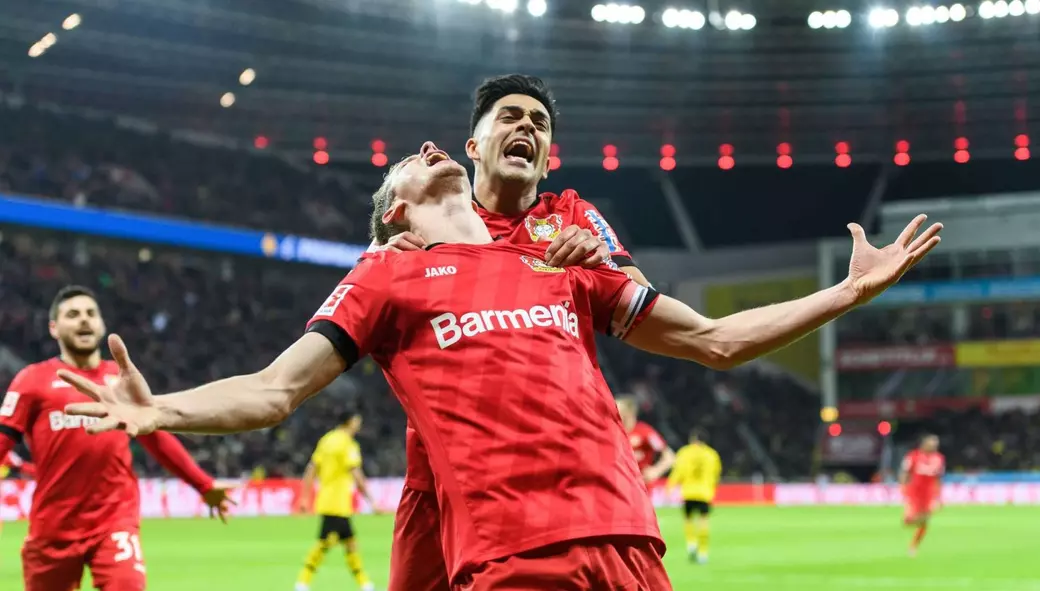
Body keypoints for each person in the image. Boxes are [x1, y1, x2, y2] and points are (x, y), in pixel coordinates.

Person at [60, 142, 941, 590]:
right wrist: (162, 409)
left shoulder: (563, 262)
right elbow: (274, 389)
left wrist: (846, 294)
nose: (430, 148)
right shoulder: (387, 273)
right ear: (397, 215)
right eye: (412, 163)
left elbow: (717, 339)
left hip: (632, 543)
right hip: (518, 554)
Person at [376, 74, 655, 591]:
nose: (527, 125)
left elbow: (642, 304)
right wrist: (387, 256)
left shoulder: (570, 216)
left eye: (539, 123)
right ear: (473, 147)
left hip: (548, 468)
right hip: (441, 467)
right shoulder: (433, 217)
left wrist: (598, 261)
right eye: (510, 116)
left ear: (547, 161)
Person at [0, 285, 231, 591]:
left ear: (101, 324)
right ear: (54, 328)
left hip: (114, 520)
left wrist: (203, 484)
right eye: (73, 314)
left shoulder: (121, 382)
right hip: (52, 525)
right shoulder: (33, 380)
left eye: (90, 313)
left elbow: (157, 440)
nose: (84, 319)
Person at [294, 410, 377, 591]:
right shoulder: (347, 444)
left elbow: (311, 469)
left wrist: (304, 497)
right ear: (350, 422)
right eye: (357, 421)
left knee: (350, 543)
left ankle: (365, 584)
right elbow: (356, 473)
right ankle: (302, 582)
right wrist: (371, 501)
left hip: (326, 500)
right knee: (325, 543)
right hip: (338, 503)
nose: (358, 425)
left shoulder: (326, 440)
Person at [666, 428, 721, 564]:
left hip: (688, 492)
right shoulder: (712, 454)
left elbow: (678, 472)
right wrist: (711, 487)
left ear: (693, 439)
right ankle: (703, 553)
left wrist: (670, 487)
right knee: (703, 520)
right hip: (704, 493)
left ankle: (691, 544)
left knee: (688, 519)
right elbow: (716, 473)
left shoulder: (684, 452)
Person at [899, 433, 944, 556]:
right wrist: (903, 488)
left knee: (925, 522)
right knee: (910, 520)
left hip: (928, 493)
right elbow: (905, 472)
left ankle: (913, 546)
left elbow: (938, 478)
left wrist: (938, 497)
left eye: (936, 444)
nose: (934, 446)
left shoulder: (939, 458)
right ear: (924, 444)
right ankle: (909, 520)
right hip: (914, 491)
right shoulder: (913, 456)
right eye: (932, 444)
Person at [616, 396, 676, 485]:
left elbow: (670, 456)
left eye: (617, 409)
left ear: (628, 413)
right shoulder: (613, 433)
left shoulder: (646, 432)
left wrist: (656, 471)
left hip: (640, 485)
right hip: (619, 483)